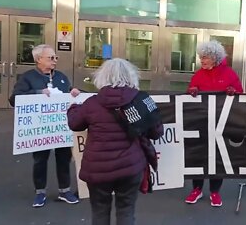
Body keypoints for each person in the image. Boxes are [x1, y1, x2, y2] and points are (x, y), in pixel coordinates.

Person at [67, 58, 163, 225]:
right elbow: (156, 133)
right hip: (131, 166)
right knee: (126, 211)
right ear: (131, 76)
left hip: (98, 169)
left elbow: (74, 124)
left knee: (99, 212)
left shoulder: (92, 103)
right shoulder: (141, 100)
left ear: (102, 77)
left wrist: (73, 107)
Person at [9, 44, 80, 207]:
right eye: (51, 58)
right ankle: (40, 192)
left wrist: (74, 91)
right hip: (40, 129)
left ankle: (65, 190)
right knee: (40, 159)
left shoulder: (61, 76)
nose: (55, 61)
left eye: (56, 57)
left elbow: (67, 91)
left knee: (64, 158)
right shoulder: (27, 78)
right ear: (38, 59)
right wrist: (37, 93)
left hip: (61, 127)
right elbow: (14, 99)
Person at [185, 40, 243, 207]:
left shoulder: (229, 74)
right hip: (201, 123)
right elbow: (189, 93)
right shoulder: (198, 74)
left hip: (222, 124)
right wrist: (192, 91)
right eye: (200, 57)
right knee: (198, 156)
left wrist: (234, 92)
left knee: (217, 158)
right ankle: (196, 189)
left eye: (205, 57)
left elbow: (240, 94)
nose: (202, 60)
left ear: (215, 58)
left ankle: (215, 191)